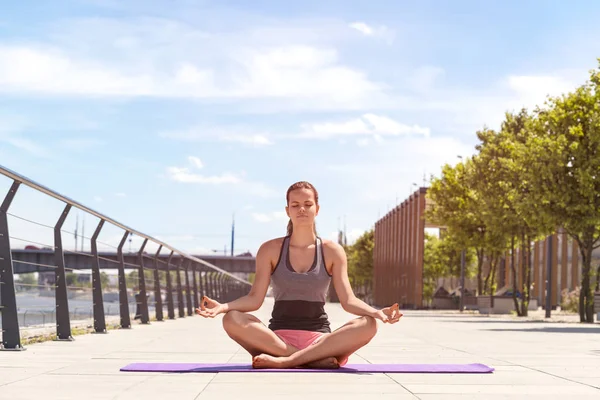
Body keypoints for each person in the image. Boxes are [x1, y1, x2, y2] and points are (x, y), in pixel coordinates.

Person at [196, 181, 402, 369]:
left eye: (307, 204)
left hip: (320, 340)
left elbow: (348, 301)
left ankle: (288, 361)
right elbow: (254, 299)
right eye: (295, 205)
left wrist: (376, 313)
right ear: (287, 211)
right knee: (231, 319)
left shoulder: (332, 251)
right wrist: (223, 307)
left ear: (317, 209)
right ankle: (308, 359)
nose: (301, 209)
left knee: (368, 325)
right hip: (277, 340)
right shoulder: (270, 249)